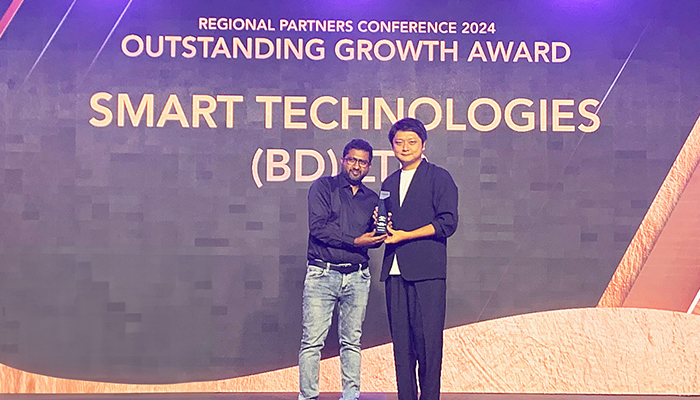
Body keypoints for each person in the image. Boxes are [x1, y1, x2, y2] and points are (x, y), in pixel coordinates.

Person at [299, 138, 387, 400]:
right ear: (342, 160)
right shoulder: (323, 187)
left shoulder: (373, 199)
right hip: (322, 273)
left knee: (352, 342)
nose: (356, 166)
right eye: (352, 160)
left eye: (362, 162)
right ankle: (308, 397)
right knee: (312, 342)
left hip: (358, 276)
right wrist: (356, 240)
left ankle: (350, 396)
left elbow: (373, 239)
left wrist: (382, 229)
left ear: (369, 166)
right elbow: (318, 228)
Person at [380, 118, 459, 400]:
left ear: (423, 144)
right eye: (399, 142)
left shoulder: (439, 177)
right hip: (394, 272)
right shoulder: (388, 182)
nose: (405, 147)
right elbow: (385, 224)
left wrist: (406, 235)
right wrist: (382, 226)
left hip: (427, 272)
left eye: (412, 142)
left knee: (428, 347)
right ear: (392, 146)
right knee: (402, 348)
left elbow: (448, 222)